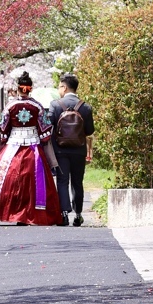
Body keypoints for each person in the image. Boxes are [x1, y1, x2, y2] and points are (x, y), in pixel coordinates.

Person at [0, 71, 63, 226]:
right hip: (33, 148)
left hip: (12, 147)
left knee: (4, 179)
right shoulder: (38, 107)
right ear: (30, 89)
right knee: (34, 181)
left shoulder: (10, 106)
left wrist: (5, 139)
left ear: (18, 88)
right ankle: (29, 213)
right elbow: (45, 131)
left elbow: (3, 129)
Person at [48, 72, 95, 227]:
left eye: (59, 87)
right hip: (79, 151)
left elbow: (48, 126)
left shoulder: (55, 105)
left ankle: (63, 215)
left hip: (60, 150)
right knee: (77, 182)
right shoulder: (85, 107)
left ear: (64, 87)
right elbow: (89, 130)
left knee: (62, 181)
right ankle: (78, 215)